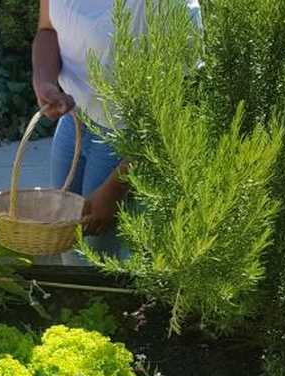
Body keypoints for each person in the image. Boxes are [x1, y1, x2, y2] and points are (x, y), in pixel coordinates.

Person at [32, 0, 201, 259]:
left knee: (98, 262)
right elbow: (47, 29)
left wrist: (116, 186)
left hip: (127, 141)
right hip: (74, 123)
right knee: (66, 245)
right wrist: (44, 81)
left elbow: (183, 103)